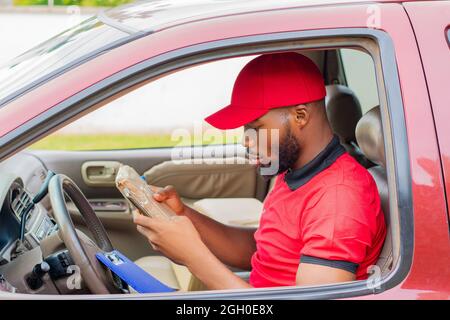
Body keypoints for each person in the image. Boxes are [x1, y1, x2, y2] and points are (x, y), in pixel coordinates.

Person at [133, 52, 387, 289]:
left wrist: (192, 256)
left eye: (256, 126)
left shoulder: (338, 198)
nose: (246, 140)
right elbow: (263, 250)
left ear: (300, 116)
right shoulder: (293, 172)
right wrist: (184, 215)